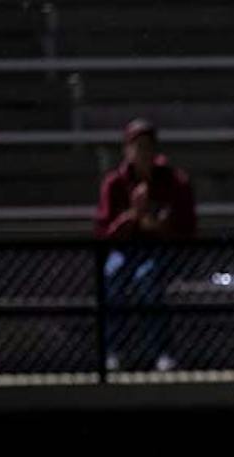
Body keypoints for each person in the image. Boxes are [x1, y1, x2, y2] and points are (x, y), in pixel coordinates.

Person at [93, 118, 197, 373]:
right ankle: (112, 351)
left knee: (147, 278)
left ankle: (161, 352)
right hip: (125, 250)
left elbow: (188, 229)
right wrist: (132, 217)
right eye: (136, 146)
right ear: (126, 150)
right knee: (113, 275)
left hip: (162, 251)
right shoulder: (114, 183)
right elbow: (104, 232)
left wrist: (159, 226)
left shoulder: (175, 181)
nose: (142, 152)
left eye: (147, 146)